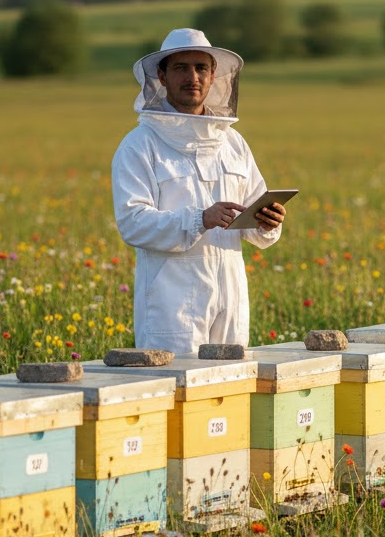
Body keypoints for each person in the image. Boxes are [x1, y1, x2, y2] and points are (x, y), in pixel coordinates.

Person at [111, 28, 287, 355]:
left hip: (230, 297)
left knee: (229, 393)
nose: (192, 76)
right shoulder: (140, 145)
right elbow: (132, 222)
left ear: (213, 75)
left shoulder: (232, 143)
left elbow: (256, 219)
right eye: (181, 68)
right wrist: (199, 219)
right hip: (171, 304)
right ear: (161, 76)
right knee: (177, 396)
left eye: (200, 68)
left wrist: (268, 221)